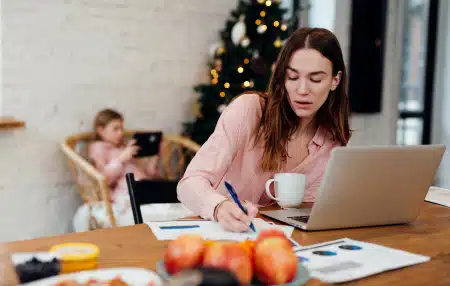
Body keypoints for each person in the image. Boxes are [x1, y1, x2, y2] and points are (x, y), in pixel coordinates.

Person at [177, 27, 351, 232]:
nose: (302, 90)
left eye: (315, 79)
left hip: (280, 243)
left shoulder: (332, 143)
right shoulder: (248, 111)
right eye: (293, 77)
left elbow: (308, 212)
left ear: (335, 81)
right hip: (221, 234)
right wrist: (219, 207)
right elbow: (189, 184)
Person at [87, 109, 160, 212]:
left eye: (121, 128)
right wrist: (121, 159)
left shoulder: (123, 148)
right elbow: (104, 179)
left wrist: (153, 160)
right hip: (125, 191)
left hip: (143, 185)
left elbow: (142, 173)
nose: (120, 133)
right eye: (115, 129)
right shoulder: (98, 148)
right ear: (100, 130)